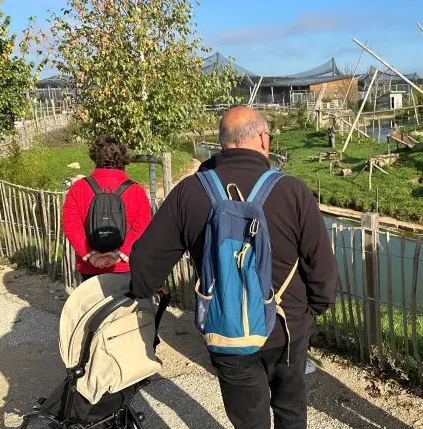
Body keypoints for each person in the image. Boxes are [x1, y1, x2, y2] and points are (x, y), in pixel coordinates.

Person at [129, 106, 338, 429]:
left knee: (248, 419)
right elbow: (321, 267)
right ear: (263, 139)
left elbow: (144, 262)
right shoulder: (292, 191)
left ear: (222, 143)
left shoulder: (190, 191)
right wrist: (311, 313)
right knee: (290, 409)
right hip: (287, 327)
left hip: (227, 331)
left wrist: (147, 288)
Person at [62, 135, 151, 282]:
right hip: (123, 266)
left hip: (90, 266)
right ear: (122, 158)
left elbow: (71, 225)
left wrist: (89, 254)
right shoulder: (136, 190)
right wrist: (120, 254)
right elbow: (143, 226)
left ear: (95, 158)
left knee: (92, 304)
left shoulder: (78, 188)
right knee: (123, 304)